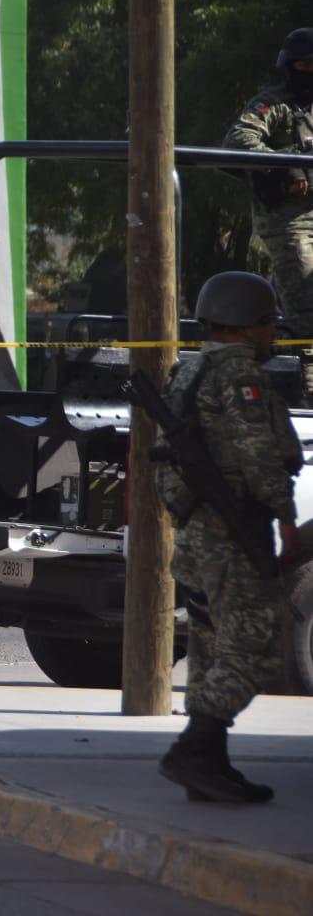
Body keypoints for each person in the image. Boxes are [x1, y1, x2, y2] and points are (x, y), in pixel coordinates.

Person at [156, 271, 302, 804]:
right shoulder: (241, 376)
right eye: (268, 325)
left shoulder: (188, 371)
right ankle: (194, 749)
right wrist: (285, 519)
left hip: (198, 532)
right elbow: (258, 455)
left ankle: (210, 765)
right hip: (233, 531)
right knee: (256, 647)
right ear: (247, 326)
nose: (273, 335)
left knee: (211, 646)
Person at [223, 27, 313, 397]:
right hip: (290, 223)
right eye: (305, 65)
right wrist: (288, 166)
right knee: (309, 314)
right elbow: (238, 140)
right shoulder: (274, 104)